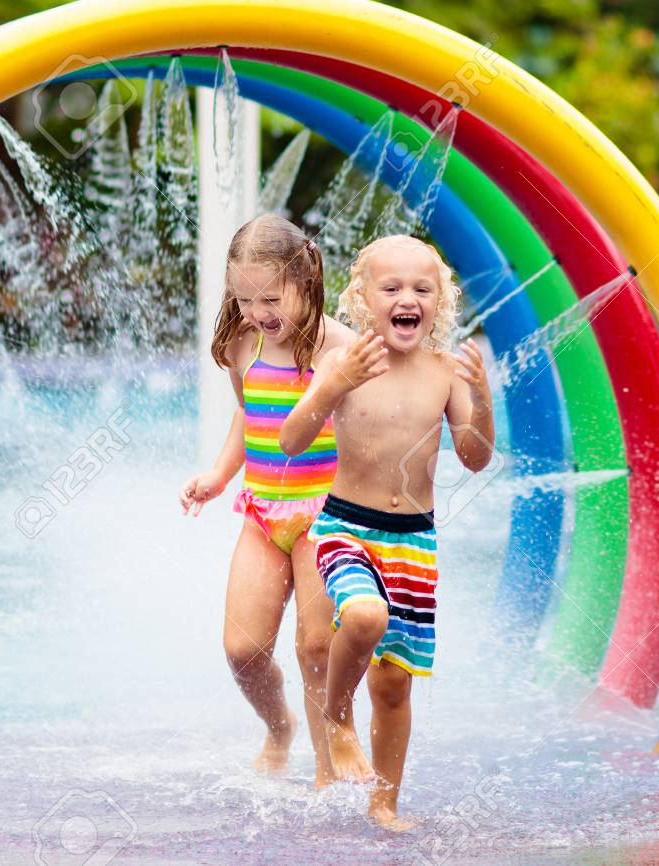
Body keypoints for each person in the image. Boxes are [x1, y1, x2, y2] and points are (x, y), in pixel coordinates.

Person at [278, 235, 496, 829]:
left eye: (422, 289)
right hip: (347, 527)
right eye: (391, 288)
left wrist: (481, 398)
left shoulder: (446, 372)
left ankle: (385, 802)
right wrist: (332, 385)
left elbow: (475, 458)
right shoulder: (346, 361)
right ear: (362, 299)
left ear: (440, 303)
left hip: (414, 542)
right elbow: (290, 442)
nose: (408, 298)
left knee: (396, 685)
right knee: (366, 618)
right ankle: (335, 717)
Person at [179, 213, 358, 784]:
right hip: (262, 514)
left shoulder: (341, 349)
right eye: (243, 299)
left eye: (270, 298)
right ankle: (279, 725)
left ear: (306, 278)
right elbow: (247, 411)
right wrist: (220, 472)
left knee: (315, 646)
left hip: (324, 517)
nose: (257, 313)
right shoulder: (243, 344)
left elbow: (374, 427)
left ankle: (329, 769)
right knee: (242, 649)